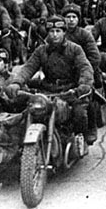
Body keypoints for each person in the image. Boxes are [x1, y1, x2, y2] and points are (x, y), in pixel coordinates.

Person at [6, 16, 94, 151]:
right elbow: (28, 68)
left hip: (70, 90)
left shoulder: (75, 49)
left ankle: (80, 138)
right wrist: (16, 83)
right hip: (48, 90)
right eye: (51, 31)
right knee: (25, 109)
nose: (54, 35)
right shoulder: (41, 50)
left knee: (79, 113)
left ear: (64, 32)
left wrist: (83, 85)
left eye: (58, 31)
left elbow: (85, 68)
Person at [62, 3, 101, 144]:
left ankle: (91, 127)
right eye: (68, 17)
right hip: (62, 77)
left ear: (78, 19)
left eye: (74, 17)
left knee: (88, 98)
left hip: (83, 73)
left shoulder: (84, 34)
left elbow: (94, 57)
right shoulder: (59, 35)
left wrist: (85, 73)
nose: (71, 20)